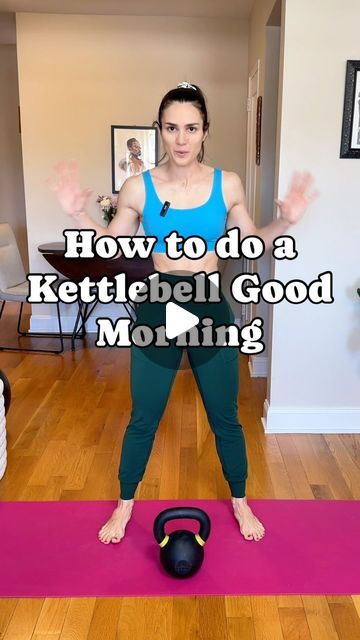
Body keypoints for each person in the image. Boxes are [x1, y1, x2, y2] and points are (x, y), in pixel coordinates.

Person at [49, 81, 319, 544]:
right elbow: (112, 245)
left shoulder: (227, 183)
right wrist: (79, 216)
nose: (181, 138)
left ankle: (240, 500)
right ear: (159, 130)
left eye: (190, 128)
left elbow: (253, 242)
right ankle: (124, 504)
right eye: (171, 127)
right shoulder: (139, 186)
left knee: (225, 415)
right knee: (144, 416)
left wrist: (287, 221)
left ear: (204, 131)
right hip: (158, 310)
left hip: (210, 306)